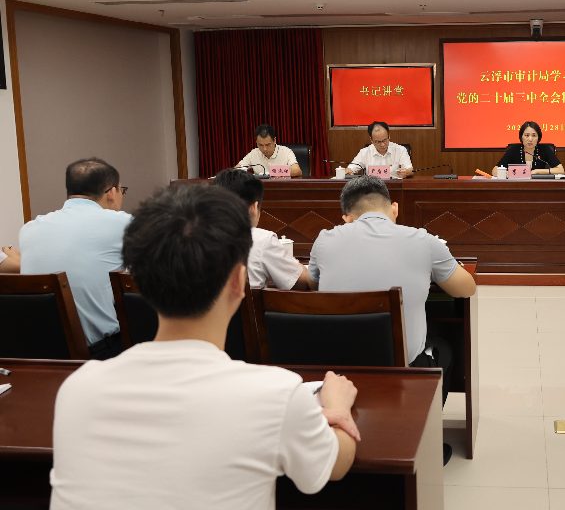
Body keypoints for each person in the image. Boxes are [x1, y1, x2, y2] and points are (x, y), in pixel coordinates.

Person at [49, 184, 359, 510]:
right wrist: (337, 406)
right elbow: (334, 466)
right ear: (238, 282)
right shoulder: (277, 394)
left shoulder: (77, 389)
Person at [308, 175, 475, 465]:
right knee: (444, 348)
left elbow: (314, 285)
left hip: (337, 368)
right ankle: (425, 442)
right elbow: (466, 288)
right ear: (394, 208)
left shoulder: (324, 240)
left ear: (347, 217)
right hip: (402, 367)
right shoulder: (423, 241)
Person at [19, 158, 132, 360]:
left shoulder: (29, 229)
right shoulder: (123, 223)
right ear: (111, 193)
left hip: (39, 354)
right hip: (99, 354)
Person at [212, 168, 313, 290]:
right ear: (254, 208)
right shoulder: (261, 240)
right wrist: (295, 264)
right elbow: (303, 282)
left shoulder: (195, 235)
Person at [492, 121, 564, 175]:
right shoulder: (513, 150)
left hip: (539, 186)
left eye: (534, 135)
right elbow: (494, 171)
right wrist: (507, 173)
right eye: (526, 135)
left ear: (538, 138)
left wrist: (537, 171)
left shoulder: (545, 150)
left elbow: (561, 170)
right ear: (521, 137)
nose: (530, 139)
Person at [346, 121, 413, 179]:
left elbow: (410, 170)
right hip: (372, 188)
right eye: (378, 142)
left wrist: (406, 172)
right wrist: (349, 173)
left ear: (389, 136)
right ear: (371, 140)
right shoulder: (364, 152)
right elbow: (349, 169)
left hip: (394, 187)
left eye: (385, 140)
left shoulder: (400, 150)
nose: (382, 144)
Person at [236, 124, 302, 178]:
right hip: (261, 188)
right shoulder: (254, 153)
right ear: (256, 142)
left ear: (274, 140)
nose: (264, 149)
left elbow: (297, 171)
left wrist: (276, 173)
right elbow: (236, 170)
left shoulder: (286, 152)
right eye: (261, 145)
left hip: (281, 187)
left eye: (268, 145)